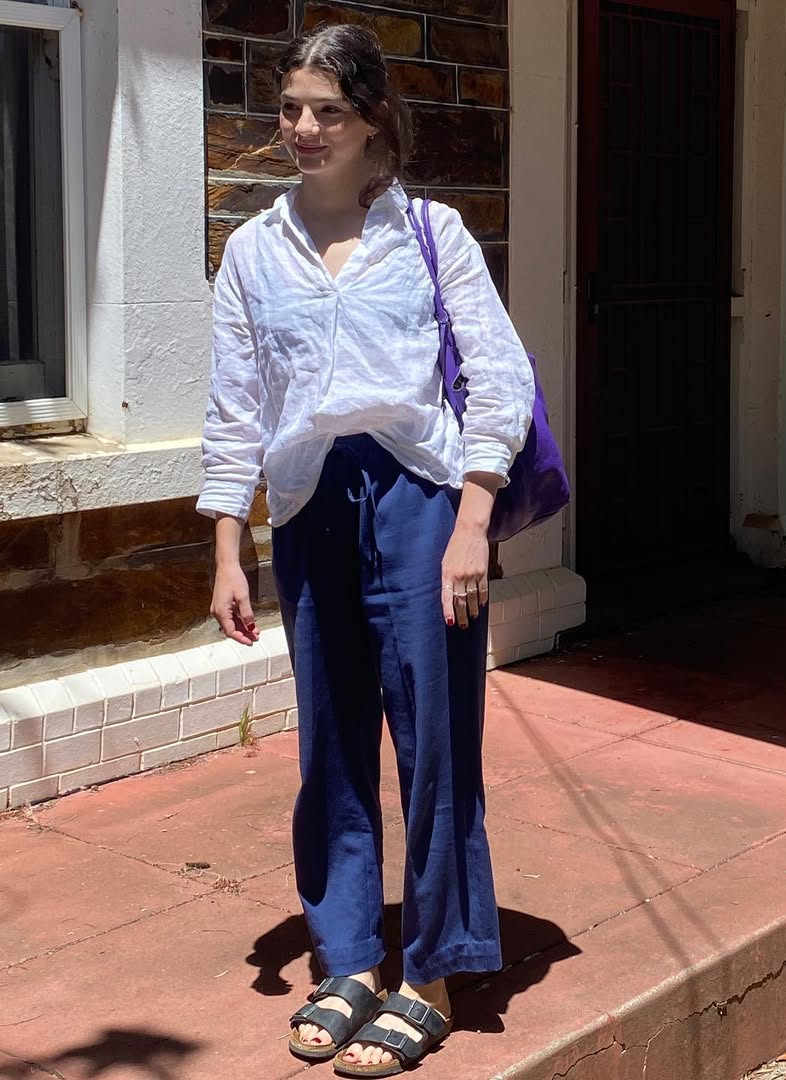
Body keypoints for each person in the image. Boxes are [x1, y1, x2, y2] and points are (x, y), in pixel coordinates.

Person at [196, 22, 535, 1077]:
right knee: (331, 742)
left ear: (373, 118)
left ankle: (431, 969)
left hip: (421, 498)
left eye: (327, 110)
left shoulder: (431, 233)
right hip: (309, 506)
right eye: (290, 108)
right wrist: (228, 548)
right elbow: (235, 409)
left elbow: (499, 376)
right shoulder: (254, 251)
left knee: (436, 736)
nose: (303, 128)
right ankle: (348, 956)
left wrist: (473, 521)